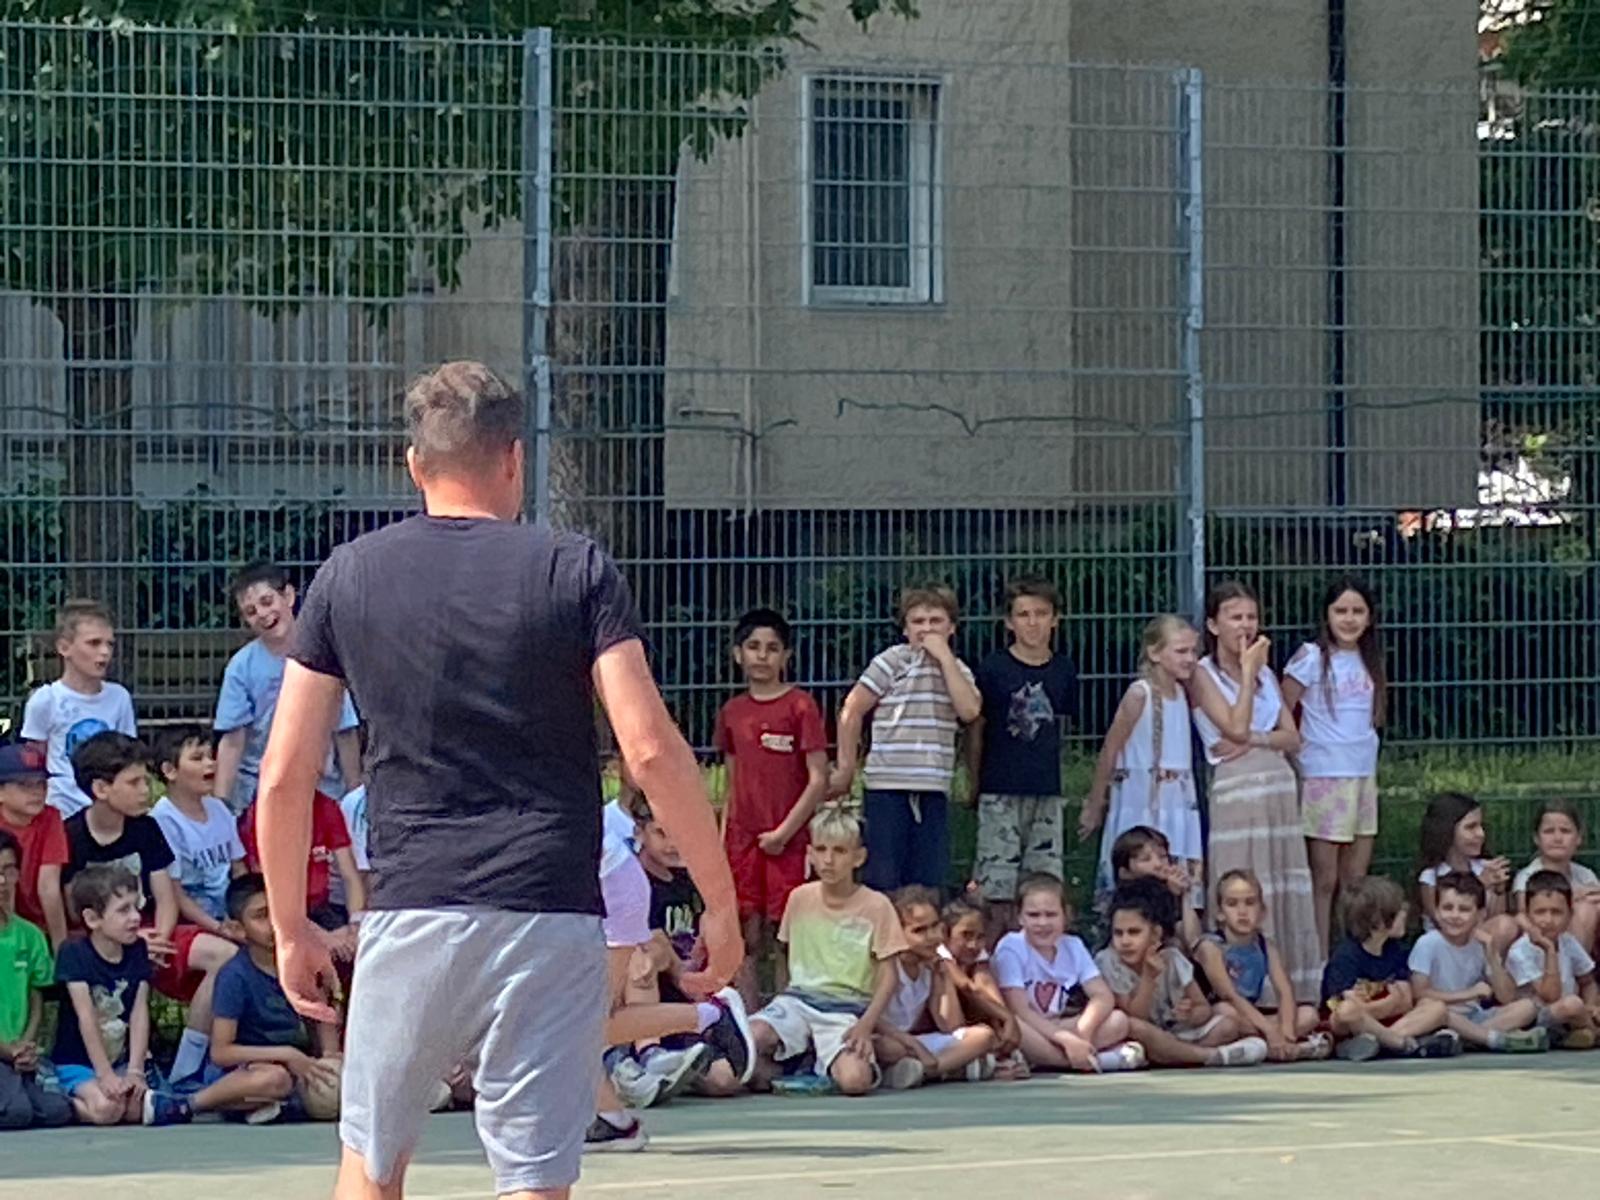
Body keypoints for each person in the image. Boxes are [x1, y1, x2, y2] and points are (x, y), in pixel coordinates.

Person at [255, 361, 740, 1200]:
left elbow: (286, 774)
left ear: (415, 464)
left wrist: (292, 926)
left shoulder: (350, 574)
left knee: (372, 1168)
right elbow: (649, 749)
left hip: (414, 903)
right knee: (534, 1178)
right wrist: (720, 902)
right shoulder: (572, 567)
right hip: (548, 906)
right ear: (514, 458)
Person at [589, 795, 751, 1152]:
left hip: (602, 890)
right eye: (662, 833)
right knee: (570, 1024)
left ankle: (707, 1018)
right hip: (584, 890)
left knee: (575, 1023)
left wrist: (720, 915)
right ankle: (610, 1117)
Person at [1188, 580, 1321, 1003]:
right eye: (1235, 617)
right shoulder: (1203, 674)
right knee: (1242, 879)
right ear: (1214, 625)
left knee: (1280, 884)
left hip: (1277, 790)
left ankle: (1292, 990)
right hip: (1236, 793)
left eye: (1251, 617)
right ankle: (1241, 992)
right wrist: (1246, 674)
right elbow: (1234, 726)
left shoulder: (1266, 674)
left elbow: (1291, 737)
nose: (1245, 626)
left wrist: (1256, 740)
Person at [830, 585, 981, 893]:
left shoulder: (958, 671)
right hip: (887, 786)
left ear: (951, 627)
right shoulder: (892, 661)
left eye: (935, 621)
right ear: (905, 628)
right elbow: (853, 709)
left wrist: (945, 659)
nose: (926, 629)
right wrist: (846, 767)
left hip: (932, 787)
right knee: (883, 878)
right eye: (918, 621)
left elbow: (969, 711)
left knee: (928, 880)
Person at [748, 807, 908, 1096]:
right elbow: (785, 956)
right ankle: (803, 1060)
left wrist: (865, 1025)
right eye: (821, 850)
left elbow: (889, 976)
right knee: (752, 1039)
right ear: (810, 853)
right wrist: (781, 1001)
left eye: (840, 851)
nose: (828, 860)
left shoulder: (877, 905)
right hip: (797, 1002)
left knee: (855, 1081)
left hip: (846, 1010)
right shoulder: (799, 898)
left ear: (858, 857)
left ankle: (852, 1057)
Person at [715, 608, 829, 1005]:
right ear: (738, 654)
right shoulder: (732, 712)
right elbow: (731, 783)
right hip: (743, 841)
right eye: (753, 646)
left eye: (772, 648)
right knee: (745, 934)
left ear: (786, 656)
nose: (762, 656)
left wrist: (784, 832)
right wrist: (722, 842)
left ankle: (788, 1015)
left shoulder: (800, 706)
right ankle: (747, 1018)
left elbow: (819, 779)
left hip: (789, 841)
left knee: (787, 935)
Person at [966, 578, 1079, 939]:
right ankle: (994, 951)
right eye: (1024, 614)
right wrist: (973, 779)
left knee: (1044, 881)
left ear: (1055, 620)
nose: (1033, 623)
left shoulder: (1063, 670)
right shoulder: (993, 668)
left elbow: (1062, 727)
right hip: (1000, 787)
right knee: (996, 886)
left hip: (1045, 789)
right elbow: (977, 727)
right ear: (1009, 622)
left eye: (1041, 614)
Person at [1281, 578, 1387, 956]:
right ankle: (1319, 957)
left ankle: (1352, 956)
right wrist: (1295, 754)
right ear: (1326, 615)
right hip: (1324, 776)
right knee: (1324, 878)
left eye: (1358, 611)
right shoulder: (1311, 657)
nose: (1349, 619)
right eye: (1341, 610)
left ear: (1369, 617)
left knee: (1354, 879)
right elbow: (1282, 707)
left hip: (1362, 776)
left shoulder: (1370, 660)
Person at [213, 562, 362, 816]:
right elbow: (232, 742)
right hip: (259, 794)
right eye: (251, 611)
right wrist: (221, 809)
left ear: (289, 596)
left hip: (323, 790)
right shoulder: (241, 668)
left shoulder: (323, 655)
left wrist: (354, 794)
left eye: (267, 601)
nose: (262, 613)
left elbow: (344, 730)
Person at [203, 873, 347, 1124]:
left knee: (350, 1071)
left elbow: (323, 1020)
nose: (273, 923)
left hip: (297, 1067)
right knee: (274, 1080)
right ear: (238, 928)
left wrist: (330, 1059)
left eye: (277, 912)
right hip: (246, 1070)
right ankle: (189, 1104)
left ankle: (274, 1106)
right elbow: (221, 1052)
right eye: (261, 916)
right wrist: (286, 1054)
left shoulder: (304, 966)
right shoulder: (235, 975)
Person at [148, 726, 248, 1085]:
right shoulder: (162, 820)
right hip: (181, 925)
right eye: (197, 758)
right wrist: (220, 927)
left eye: (210, 756)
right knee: (227, 958)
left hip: (226, 918)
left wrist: (245, 918)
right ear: (169, 771)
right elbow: (176, 895)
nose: (210, 764)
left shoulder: (219, 810)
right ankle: (186, 1071)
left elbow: (239, 871)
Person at [1082, 615, 1201, 908]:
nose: (1190, 658)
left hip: (1177, 798)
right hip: (1142, 797)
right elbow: (1111, 748)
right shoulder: (1140, 694)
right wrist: (1095, 803)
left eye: (1193, 651)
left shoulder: (1183, 693)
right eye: (1181, 651)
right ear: (1154, 653)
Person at [1095, 878, 1267, 1068]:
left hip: (1174, 1034)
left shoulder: (1172, 958)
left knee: (1228, 1024)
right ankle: (1207, 1056)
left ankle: (1175, 1055)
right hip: (1140, 1036)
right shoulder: (1109, 961)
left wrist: (1191, 1014)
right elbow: (1136, 1017)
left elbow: (1203, 1008)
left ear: (1155, 934)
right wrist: (1148, 978)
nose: (1125, 941)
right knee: (1134, 1027)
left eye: (1134, 932)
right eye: (1118, 933)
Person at [994, 872, 1143, 1073]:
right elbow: (1020, 1010)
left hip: (1057, 1025)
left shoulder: (1073, 946)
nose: (1043, 923)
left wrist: (1084, 1032)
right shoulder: (1011, 947)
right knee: (1017, 1027)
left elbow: (1102, 995)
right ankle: (1093, 1061)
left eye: (1051, 914)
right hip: (1028, 1026)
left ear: (1066, 915)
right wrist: (1067, 1040)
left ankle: (1059, 1057)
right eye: (1033, 915)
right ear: (1020, 917)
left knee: (1119, 1021)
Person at [61, 732, 178, 968]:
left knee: (218, 953)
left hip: (149, 929)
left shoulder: (147, 828)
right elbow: (75, 912)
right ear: (101, 788)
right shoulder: (70, 836)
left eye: (146, 781)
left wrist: (160, 939)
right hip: (98, 939)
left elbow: (166, 899)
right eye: (134, 783)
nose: (145, 790)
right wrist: (131, 940)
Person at [50, 865, 153, 1125]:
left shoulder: (138, 949)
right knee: (107, 1109)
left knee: (134, 1111)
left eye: (136, 906)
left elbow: (139, 1012)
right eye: (123, 910)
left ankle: (108, 1089)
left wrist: (135, 1070)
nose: (135, 917)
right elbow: (86, 1017)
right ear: (93, 919)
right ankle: (56, 1101)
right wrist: (104, 1074)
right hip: (77, 1062)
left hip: (119, 1060)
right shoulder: (74, 953)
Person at [1194, 871, 1330, 1063]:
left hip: (1250, 1018)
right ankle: (1279, 1047)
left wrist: (1287, 1034)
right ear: (1220, 913)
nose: (1242, 911)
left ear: (1262, 911)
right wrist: (1270, 1031)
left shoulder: (1267, 947)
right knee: (1226, 1012)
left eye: (1250, 903)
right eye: (1232, 904)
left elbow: (1285, 991)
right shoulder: (1211, 947)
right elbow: (1229, 995)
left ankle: (1268, 1048)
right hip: (1217, 1018)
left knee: (1309, 1015)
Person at [1320, 875, 1458, 1061]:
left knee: (1436, 1008)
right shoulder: (1346, 956)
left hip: (1388, 1023)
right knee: (1346, 1011)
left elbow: (1406, 1001)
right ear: (1377, 920)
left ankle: (1379, 1042)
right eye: (1398, 912)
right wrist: (1391, 1002)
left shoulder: (1395, 951)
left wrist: (1388, 1005)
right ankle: (1400, 1043)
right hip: (1354, 1025)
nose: (1405, 915)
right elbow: (1355, 1008)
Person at [874, 885, 999, 1088]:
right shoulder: (885, 965)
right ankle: (949, 1068)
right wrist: (914, 1045)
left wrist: (942, 976)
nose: (932, 936)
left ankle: (923, 1071)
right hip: (888, 1038)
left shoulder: (931, 965)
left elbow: (950, 1025)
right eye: (919, 931)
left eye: (935, 927)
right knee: (890, 1048)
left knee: (983, 1036)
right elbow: (871, 1019)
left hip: (913, 1043)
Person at [21, 600, 137, 817]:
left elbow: (127, 756)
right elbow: (35, 760)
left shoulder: (119, 697)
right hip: (62, 809)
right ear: (64, 648)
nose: (105, 652)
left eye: (110, 644)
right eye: (94, 643)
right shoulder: (46, 700)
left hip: (108, 806)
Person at [1408, 872, 1546, 1053]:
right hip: (1439, 1015)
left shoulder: (1480, 944)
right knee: (1438, 1010)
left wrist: (1492, 954)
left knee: (1527, 1007)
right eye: (1447, 908)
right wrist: (1469, 994)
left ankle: (1463, 1038)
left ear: (1480, 915)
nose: (1455, 915)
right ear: (1437, 912)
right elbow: (1419, 993)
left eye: (1464, 910)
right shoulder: (1428, 942)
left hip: (1474, 1017)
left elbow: (1506, 997)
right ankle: (1493, 1039)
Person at [0, 829, 73, 1129]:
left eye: (9, 871)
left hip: (18, 1052)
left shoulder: (29, 934)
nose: (2, 881)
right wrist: (7, 1050)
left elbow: (35, 995)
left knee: (57, 1111)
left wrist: (26, 1045)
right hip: (5, 1051)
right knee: (17, 1113)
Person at [238, 787, 364, 959]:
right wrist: (321, 936)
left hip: (320, 907)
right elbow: (267, 889)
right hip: (278, 912)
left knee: (357, 948)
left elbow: (350, 875)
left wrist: (355, 927)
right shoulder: (263, 813)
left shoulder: (325, 806)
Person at [1504, 870, 1600, 1049]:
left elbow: (1587, 981)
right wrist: (1549, 950)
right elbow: (1550, 996)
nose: (1548, 920)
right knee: (1571, 1005)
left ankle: (1582, 1032)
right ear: (1528, 914)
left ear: (1570, 915)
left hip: (1571, 1016)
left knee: (1580, 1005)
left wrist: (1591, 1005)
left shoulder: (1568, 941)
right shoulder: (1520, 951)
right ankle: (1593, 1032)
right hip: (1537, 1018)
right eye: (1540, 912)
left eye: (1556, 912)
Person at [936, 896, 1027, 1078]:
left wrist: (1002, 1026)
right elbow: (966, 986)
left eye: (980, 937)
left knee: (985, 988)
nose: (973, 945)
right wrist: (1007, 1017)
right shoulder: (939, 954)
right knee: (946, 982)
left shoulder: (978, 958)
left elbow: (984, 985)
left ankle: (997, 1050)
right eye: (966, 935)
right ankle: (963, 1061)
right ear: (945, 933)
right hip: (939, 1026)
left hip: (968, 1022)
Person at [0, 742, 69, 948]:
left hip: (39, 926)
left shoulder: (50, 818)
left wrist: (60, 949)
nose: (37, 792)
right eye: (25, 785)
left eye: (41, 784)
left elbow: (48, 887)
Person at [1416, 793, 1514, 938]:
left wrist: (1499, 890)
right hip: (1445, 944)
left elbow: (1495, 919)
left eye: (1481, 826)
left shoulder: (1485, 867)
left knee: (1506, 924)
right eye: (1470, 827)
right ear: (1447, 830)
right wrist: (1478, 886)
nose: (1480, 834)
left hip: (1481, 939)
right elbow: (1445, 924)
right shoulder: (1431, 877)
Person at [1510, 801, 1600, 954]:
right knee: (1585, 910)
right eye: (1549, 831)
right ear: (1536, 838)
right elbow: (1525, 914)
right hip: (1542, 947)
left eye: (1565, 831)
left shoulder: (1585, 875)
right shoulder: (1527, 876)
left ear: (1578, 838)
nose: (1557, 838)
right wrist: (1573, 898)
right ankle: (1574, 966)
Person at [1108, 825, 1202, 949]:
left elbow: (1193, 940)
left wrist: (1184, 894)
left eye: (1162, 857)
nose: (1158, 864)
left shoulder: (1169, 889)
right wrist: (1169, 894)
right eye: (1146, 859)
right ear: (1125, 872)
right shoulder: (1126, 899)